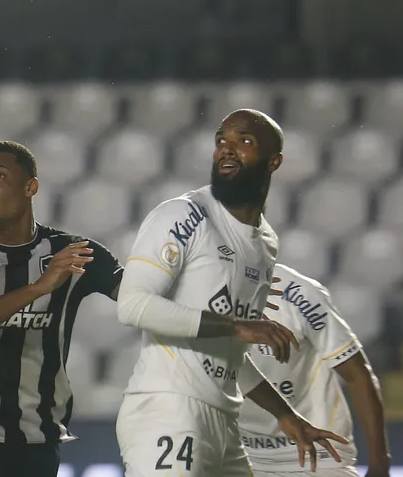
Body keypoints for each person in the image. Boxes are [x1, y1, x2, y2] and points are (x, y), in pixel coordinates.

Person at [115, 109, 349, 476]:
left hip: (225, 421)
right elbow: (132, 306)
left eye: (244, 141)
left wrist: (287, 416)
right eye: (221, 139)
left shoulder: (265, 242)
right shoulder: (183, 215)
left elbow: (231, 353)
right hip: (169, 412)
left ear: (274, 161)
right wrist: (237, 326)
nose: (226, 149)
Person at [0, 141, 123, 477]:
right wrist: (38, 288)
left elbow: (141, 300)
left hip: (39, 437)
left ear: (31, 186)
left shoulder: (72, 253)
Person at [239, 264, 392, 476]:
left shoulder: (297, 292)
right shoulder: (197, 295)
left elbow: (357, 374)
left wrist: (379, 464)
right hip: (239, 455)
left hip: (316, 456)